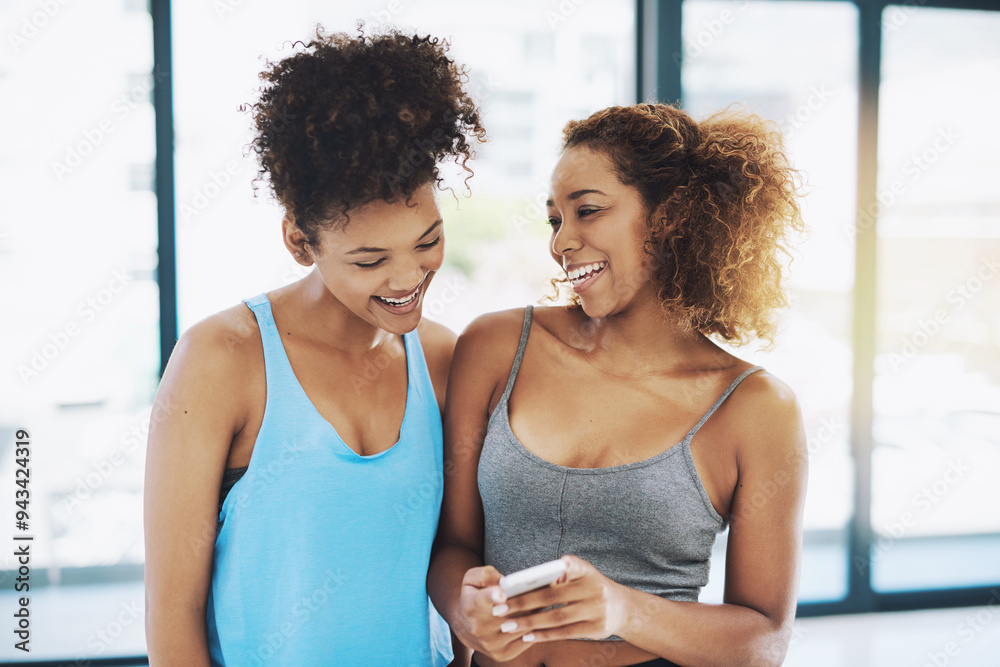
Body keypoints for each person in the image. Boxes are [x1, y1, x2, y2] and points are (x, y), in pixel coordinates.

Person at [144, 28, 485, 665]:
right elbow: (172, 620)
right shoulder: (221, 359)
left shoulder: (443, 359)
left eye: (427, 241)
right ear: (300, 242)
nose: (408, 278)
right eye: (370, 259)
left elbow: (451, 570)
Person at [428, 103, 807, 667]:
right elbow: (453, 545)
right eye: (555, 219)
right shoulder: (496, 347)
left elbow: (762, 640)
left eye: (588, 211)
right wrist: (464, 609)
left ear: (671, 216)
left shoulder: (755, 408)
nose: (561, 243)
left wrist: (622, 609)